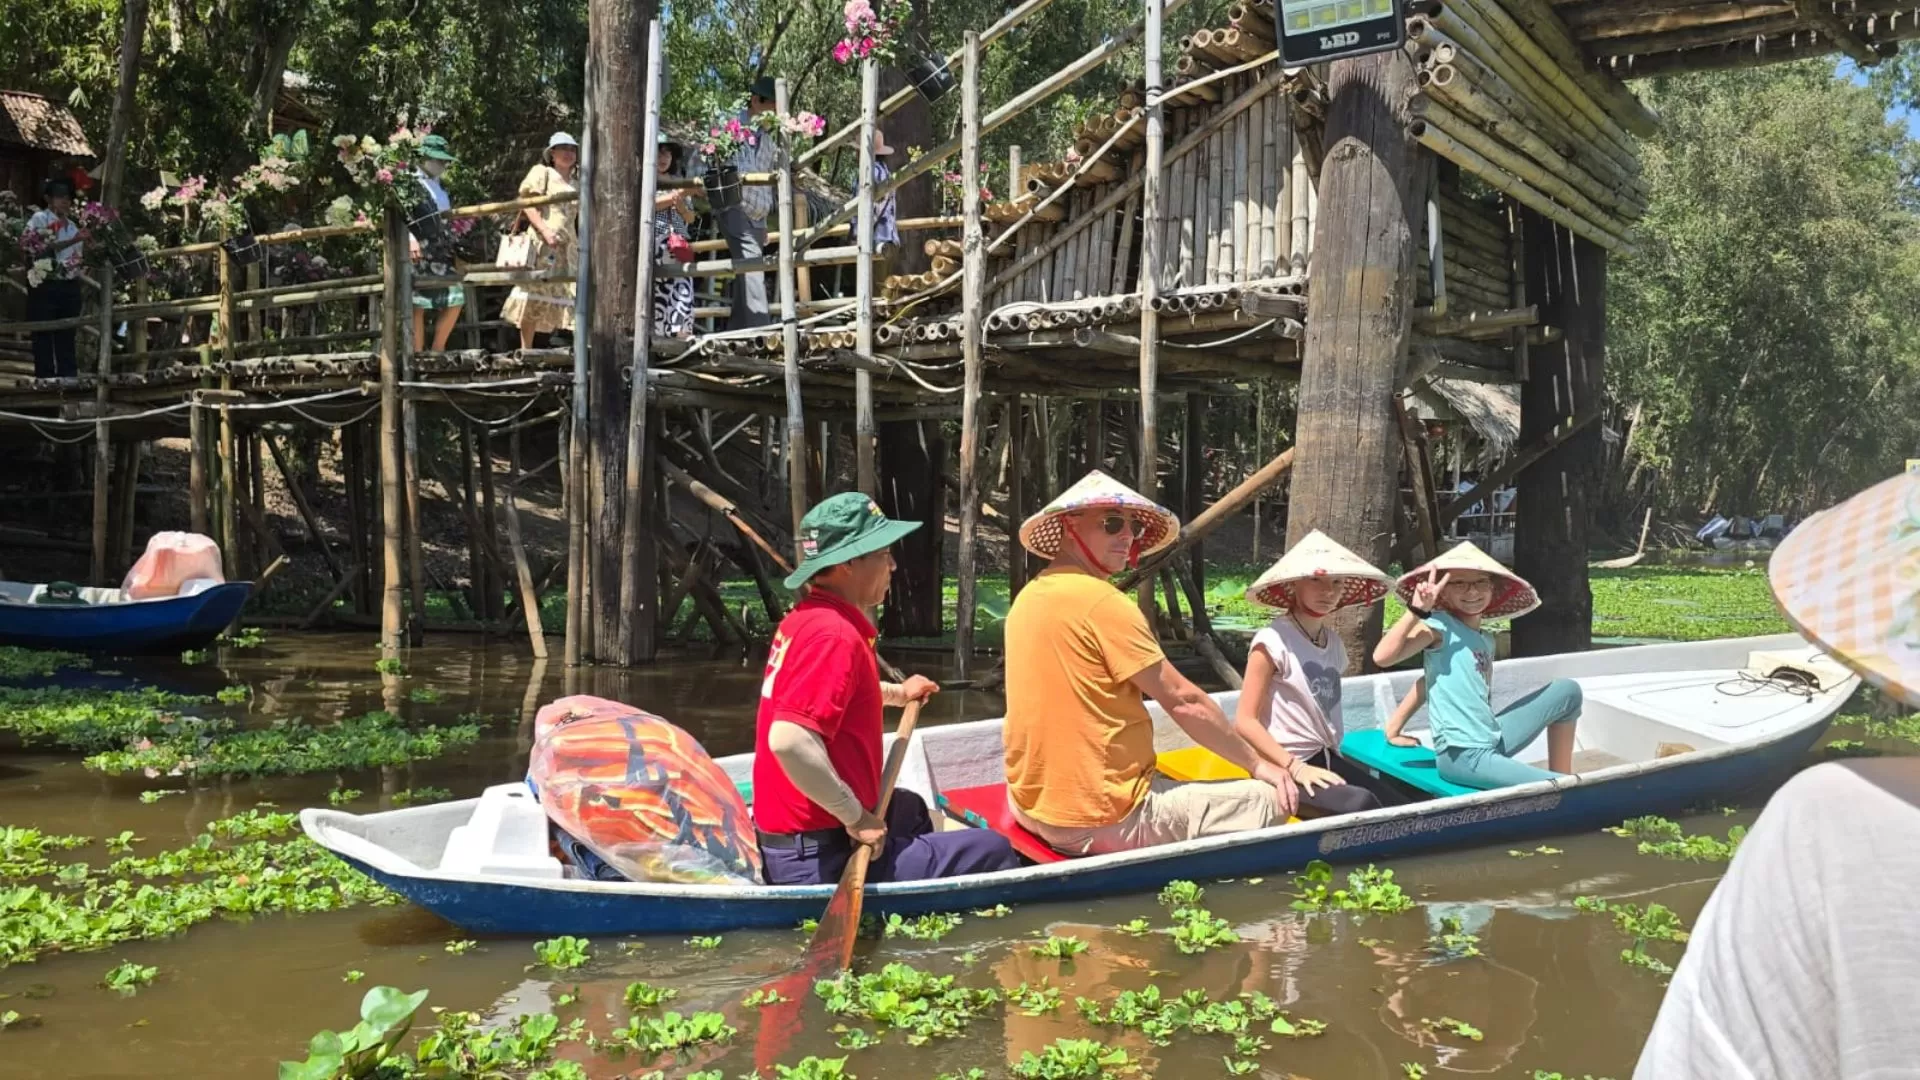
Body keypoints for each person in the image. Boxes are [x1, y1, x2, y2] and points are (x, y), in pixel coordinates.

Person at [1002, 471, 1299, 856]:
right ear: (1069, 527)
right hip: (1098, 820)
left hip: (1027, 805)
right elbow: (1184, 701)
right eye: (1112, 524)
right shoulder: (1103, 603)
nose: (1127, 536)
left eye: (1134, 526)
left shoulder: (1028, 597)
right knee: (1273, 799)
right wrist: (1259, 765)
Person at [753, 492, 1021, 885]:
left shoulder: (806, 620)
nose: (893, 565)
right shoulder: (833, 635)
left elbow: (835, 693)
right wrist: (856, 818)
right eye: (883, 554)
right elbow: (789, 741)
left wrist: (898, 694)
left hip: (800, 835)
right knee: (994, 850)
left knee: (910, 809)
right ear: (847, 564)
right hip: (817, 855)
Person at [1372, 541, 1581, 790]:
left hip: (1491, 737)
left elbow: (1427, 681)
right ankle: (1564, 787)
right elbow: (1382, 658)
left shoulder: (1486, 640)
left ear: (1493, 589)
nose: (1472, 591)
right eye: (1459, 583)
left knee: (1568, 692)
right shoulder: (1438, 627)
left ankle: (1562, 776)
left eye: (1481, 582)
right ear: (1443, 593)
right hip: (1463, 756)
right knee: (1565, 787)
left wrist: (1393, 727)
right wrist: (1415, 611)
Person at [1233, 530, 1401, 816]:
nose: (1328, 591)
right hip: (1282, 766)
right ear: (1294, 585)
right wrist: (1295, 767)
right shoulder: (1272, 641)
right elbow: (1244, 721)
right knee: (1362, 804)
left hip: (1326, 758)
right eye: (1316, 580)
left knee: (1398, 803)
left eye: (1336, 583)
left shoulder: (1333, 643)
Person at [502, 132, 578, 351]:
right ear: (552, 153)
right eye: (563, 148)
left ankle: (568, 349)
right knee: (534, 292)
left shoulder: (578, 182)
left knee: (568, 291)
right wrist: (545, 230)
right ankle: (526, 350)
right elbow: (527, 203)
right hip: (543, 242)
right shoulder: (542, 172)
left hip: (568, 245)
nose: (568, 153)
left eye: (572, 149)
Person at [721, 75, 781, 331]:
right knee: (753, 265)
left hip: (757, 214)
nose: (774, 116)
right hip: (733, 205)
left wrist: (764, 222)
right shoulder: (729, 125)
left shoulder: (769, 139)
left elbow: (766, 181)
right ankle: (762, 333)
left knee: (746, 273)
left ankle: (737, 334)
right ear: (756, 101)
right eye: (772, 109)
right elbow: (704, 161)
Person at [408, 134, 464, 352]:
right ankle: (416, 354)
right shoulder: (410, 181)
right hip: (418, 246)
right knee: (417, 303)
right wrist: (410, 238)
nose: (443, 165)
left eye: (444, 161)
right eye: (439, 160)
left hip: (441, 248)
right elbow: (400, 214)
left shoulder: (439, 185)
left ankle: (437, 350)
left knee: (455, 298)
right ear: (424, 158)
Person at [25, 178, 84, 378]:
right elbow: (38, 246)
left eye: (68, 197)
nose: (65, 201)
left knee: (67, 333)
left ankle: (68, 378)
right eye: (59, 197)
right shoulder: (39, 219)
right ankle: (45, 379)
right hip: (45, 285)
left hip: (68, 285)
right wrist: (74, 239)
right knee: (42, 333)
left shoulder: (74, 226)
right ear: (48, 199)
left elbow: (76, 257)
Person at [650, 133, 697, 339]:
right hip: (654, 240)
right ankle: (658, 336)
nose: (663, 158)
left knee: (683, 287)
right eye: (659, 152)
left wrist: (680, 205)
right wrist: (675, 197)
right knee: (658, 290)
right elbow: (649, 205)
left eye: (667, 153)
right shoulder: (645, 179)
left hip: (678, 241)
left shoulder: (679, 181)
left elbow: (691, 217)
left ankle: (682, 333)